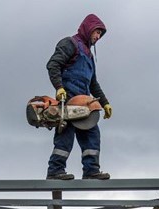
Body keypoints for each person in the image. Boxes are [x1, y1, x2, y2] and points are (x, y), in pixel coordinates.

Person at [45, 14, 112, 181]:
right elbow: (53, 65)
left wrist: (105, 103)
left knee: (92, 135)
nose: (97, 37)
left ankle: (91, 171)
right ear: (88, 28)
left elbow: (93, 83)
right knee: (65, 137)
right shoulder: (70, 43)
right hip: (68, 99)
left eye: (100, 34)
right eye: (96, 32)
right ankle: (55, 171)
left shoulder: (89, 55)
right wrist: (59, 87)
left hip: (85, 102)